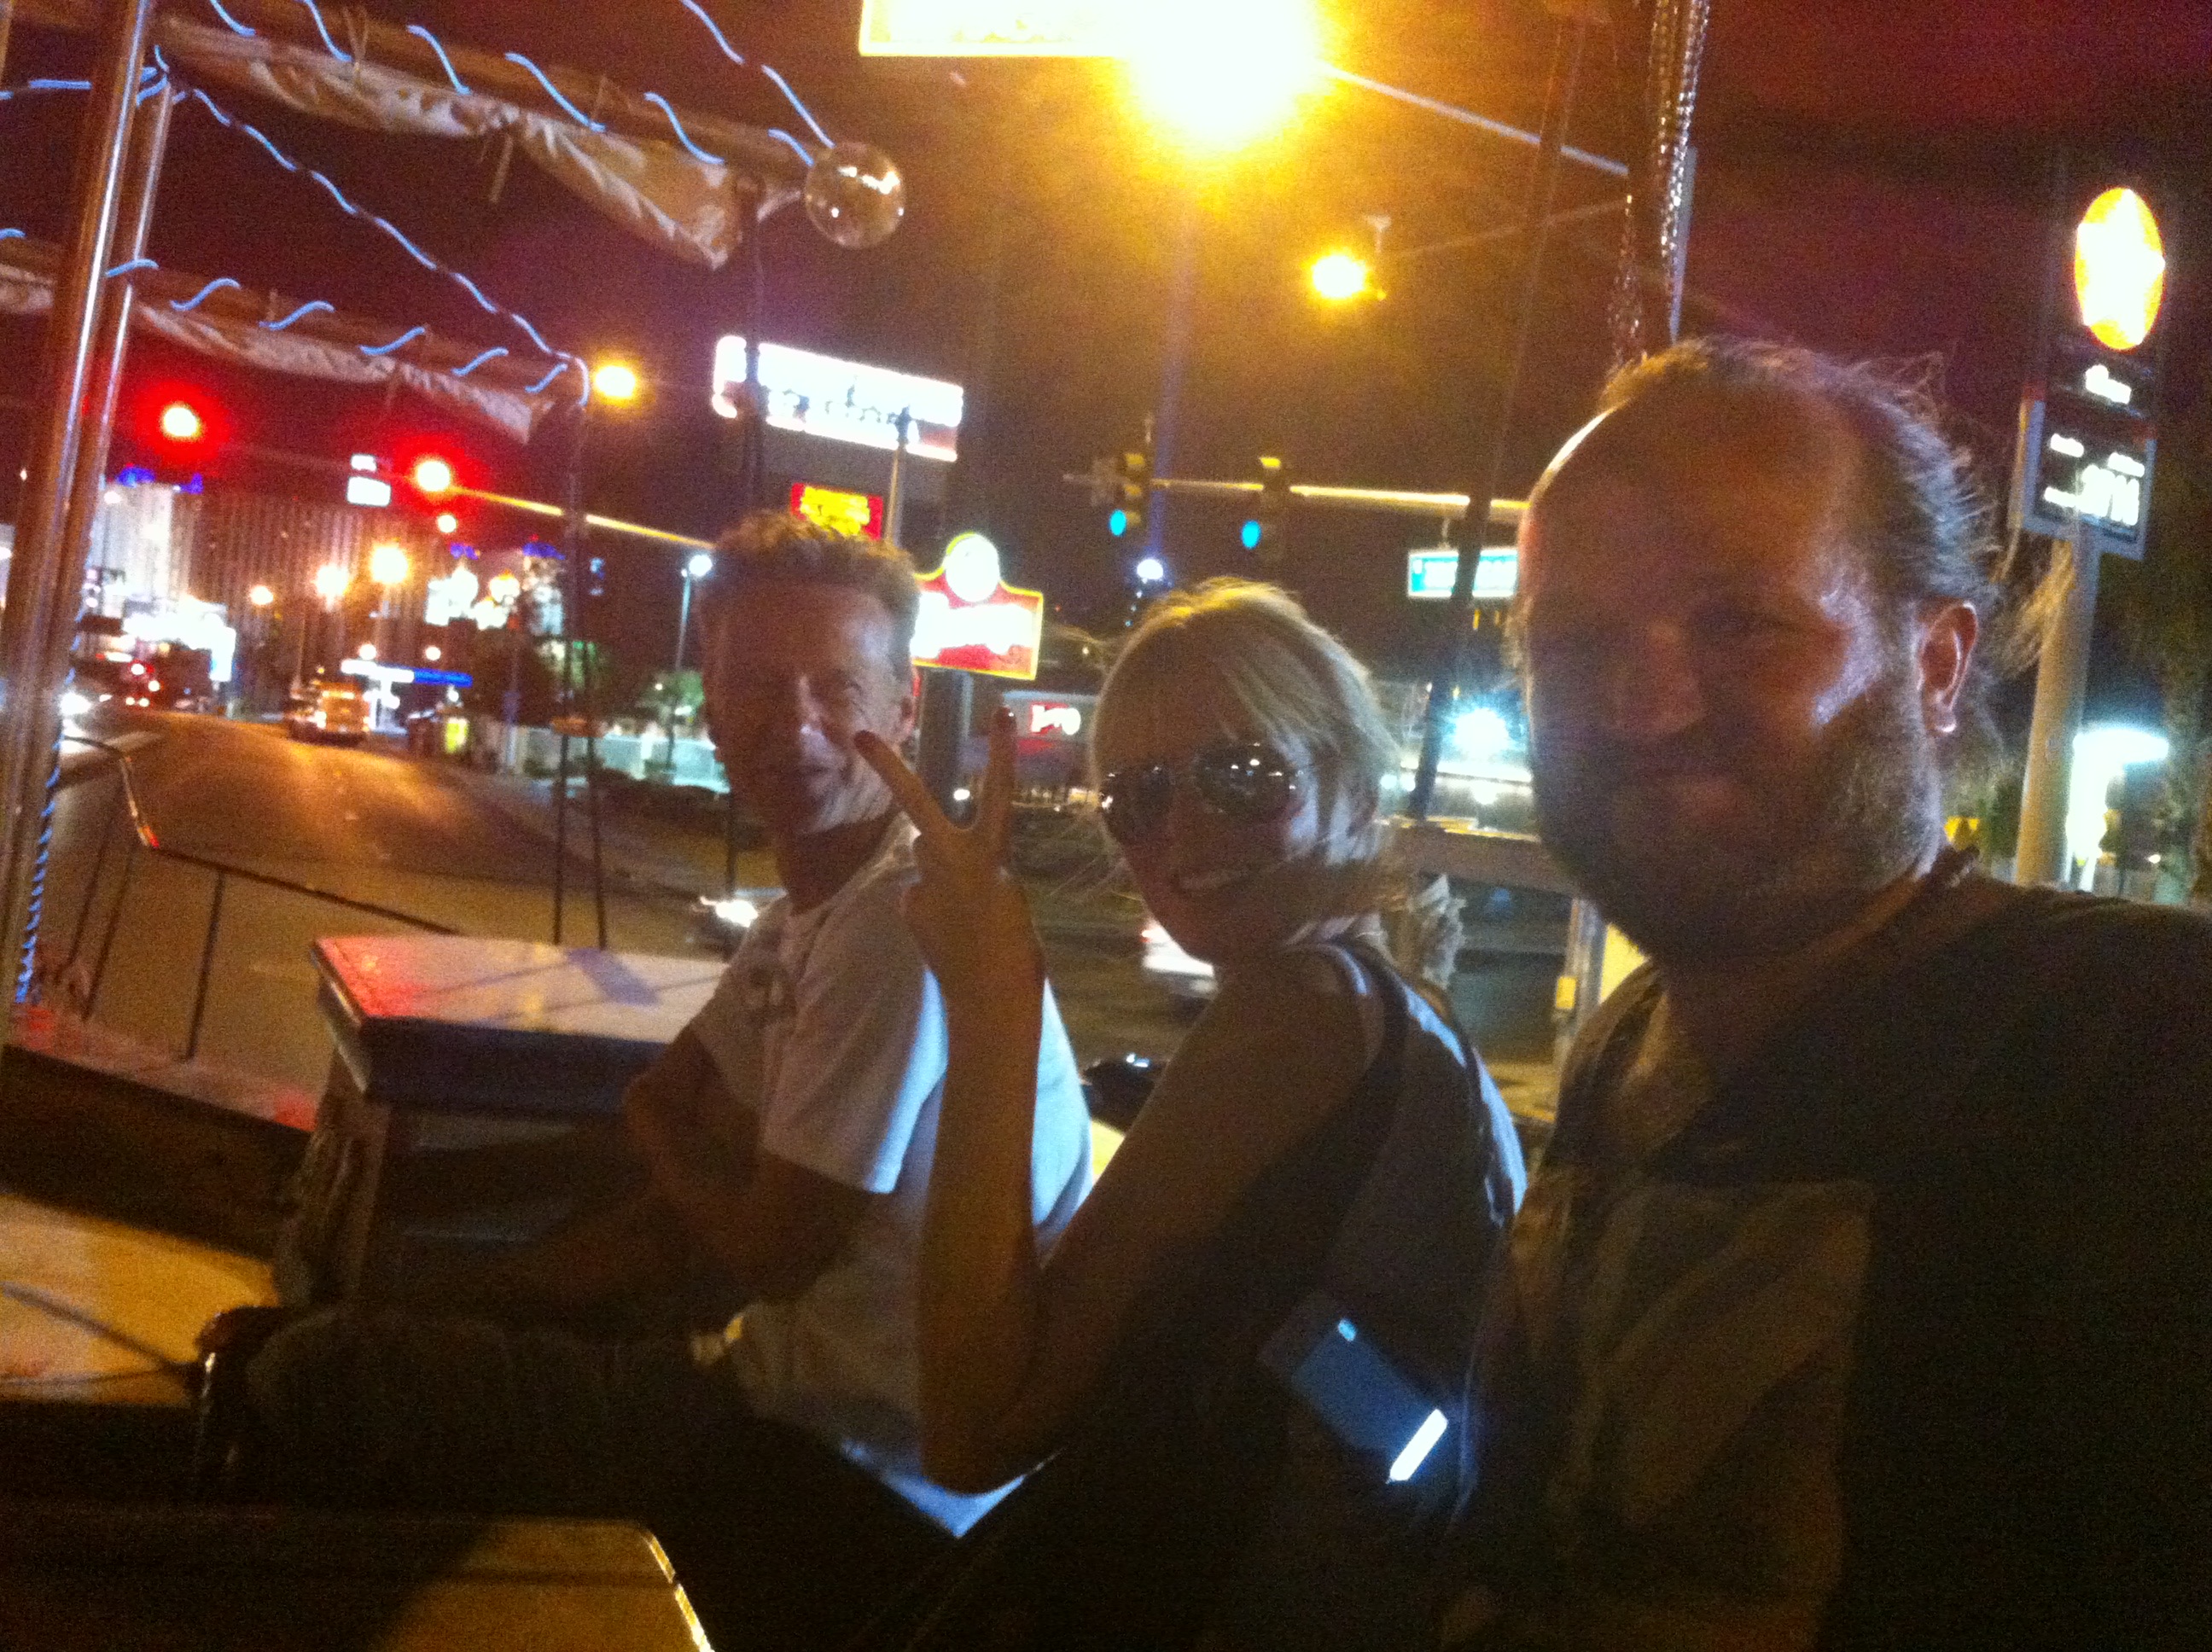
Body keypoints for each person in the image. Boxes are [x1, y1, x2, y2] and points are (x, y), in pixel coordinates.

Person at [1441, 339, 2212, 1649]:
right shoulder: (1629, 1044)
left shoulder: (2138, 1053)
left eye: (1739, 622)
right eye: (1570, 642)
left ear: (1935, 664)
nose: (1639, 705)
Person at [216, 512, 1094, 1637]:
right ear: (712, 709)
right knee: (326, 1337)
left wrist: (671, 1155)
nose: (798, 725)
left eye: (837, 688)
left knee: (312, 1380)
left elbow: (767, 1244)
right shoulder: (797, 923)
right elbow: (667, 1162)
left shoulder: (897, 921)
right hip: (778, 1393)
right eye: (759, 687)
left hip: (859, 1474)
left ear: (905, 709)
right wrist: (422, 1295)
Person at [854, 579, 1527, 1650]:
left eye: (1243, 776)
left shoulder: (1299, 1009)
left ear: (1351, 784)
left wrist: (991, 998)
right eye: (1140, 798)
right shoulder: (1405, 1010)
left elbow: (974, 1431)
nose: (1184, 832)